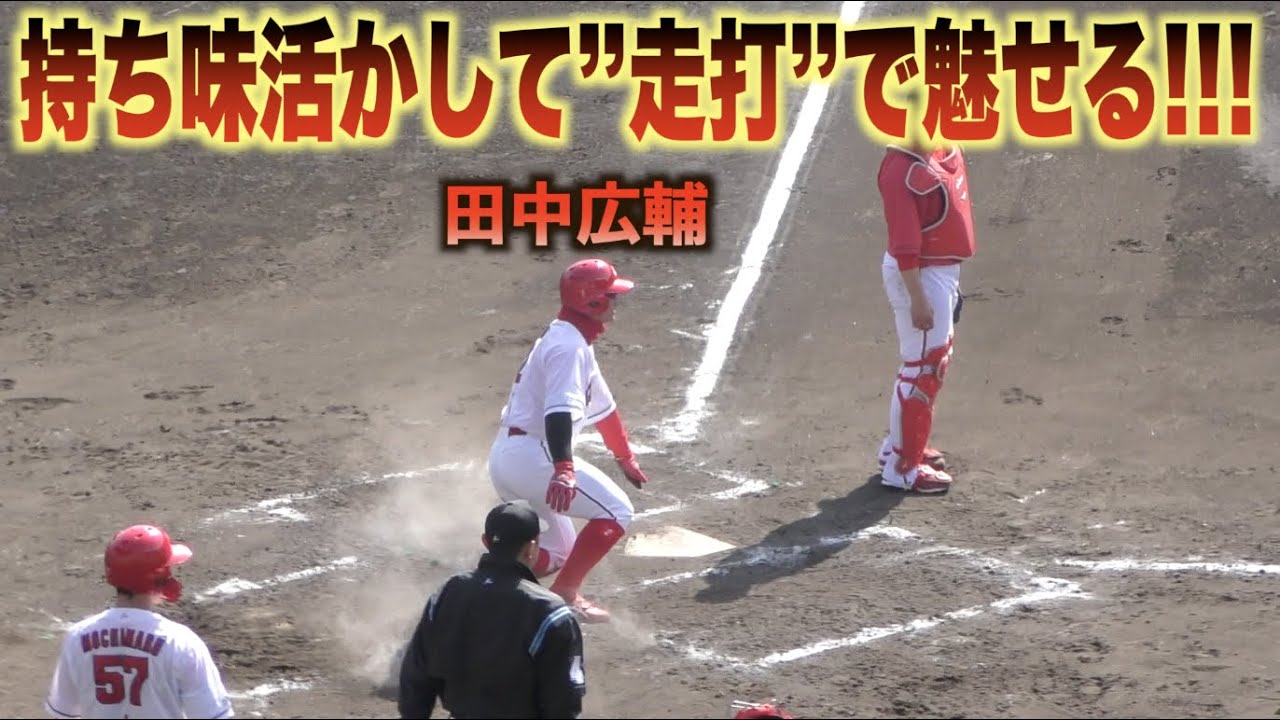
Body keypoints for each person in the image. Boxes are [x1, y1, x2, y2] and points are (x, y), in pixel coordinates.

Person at [486, 258, 649, 623]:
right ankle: (566, 593)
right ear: (592, 301)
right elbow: (558, 412)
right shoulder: (568, 348)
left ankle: (494, 574)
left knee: (558, 552)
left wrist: (624, 456)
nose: (615, 303)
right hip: (534, 457)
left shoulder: (571, 341)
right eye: (610, 296)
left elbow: (604, 410)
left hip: (511, 457)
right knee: (617, 511)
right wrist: (564, 468)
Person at [397, 499, 588, 719]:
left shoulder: (449, 592)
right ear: (531, 548)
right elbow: (564, 702)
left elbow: (416, 677)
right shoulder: (549, 611)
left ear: (485, 542)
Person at [43, 524, 235, 719]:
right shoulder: (181, 643)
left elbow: (64, 711)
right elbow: (211, 714)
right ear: (159, 576)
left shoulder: (77, 637)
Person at [874, 139, 977, 494]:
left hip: (939, 272)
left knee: (926, 365)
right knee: (923, 369)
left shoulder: (940, 149)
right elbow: (905, 247)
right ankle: (902, 467)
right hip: (919, 275)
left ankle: (899, 445)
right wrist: (919, 299)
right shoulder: (902, 172)